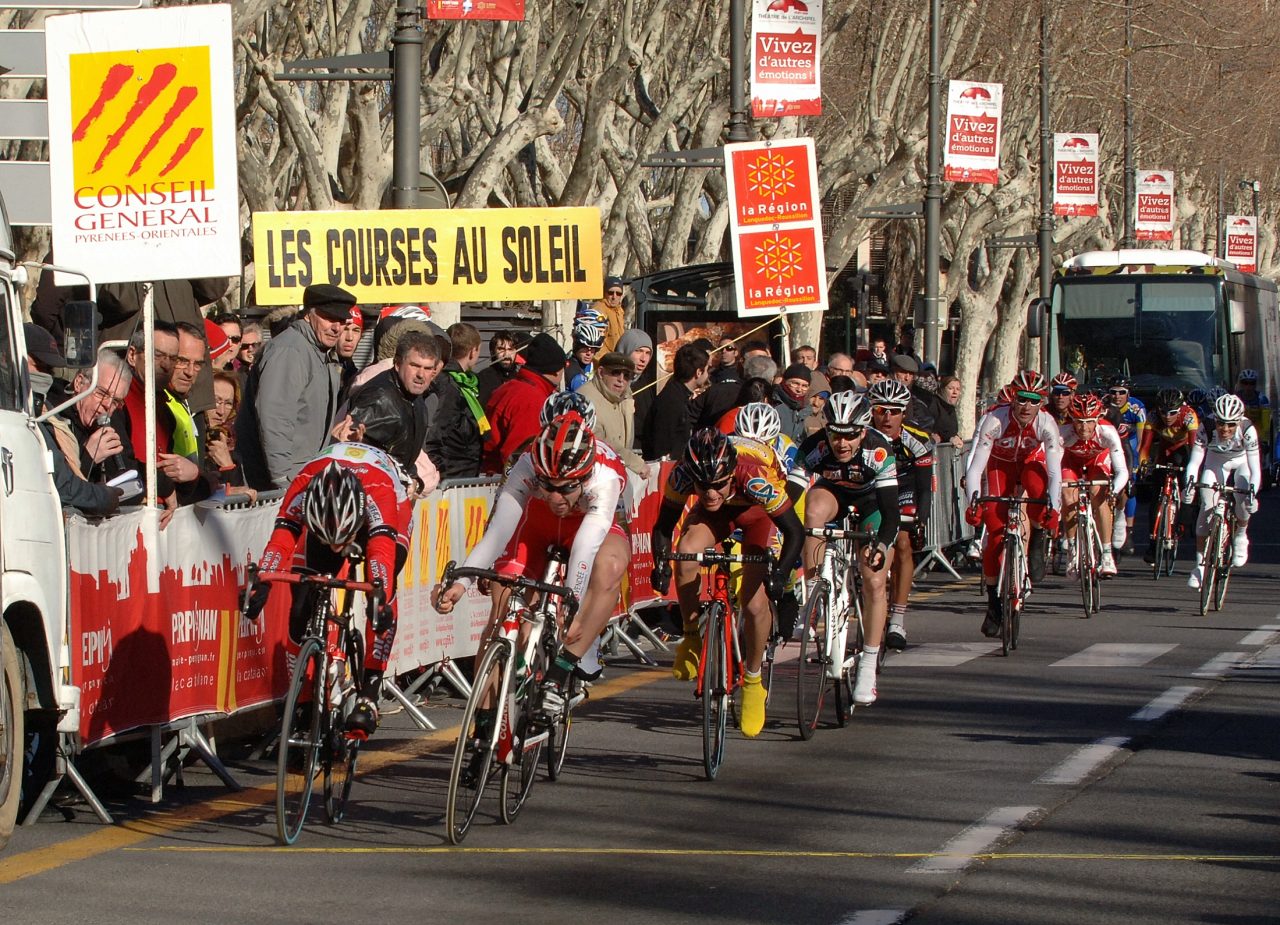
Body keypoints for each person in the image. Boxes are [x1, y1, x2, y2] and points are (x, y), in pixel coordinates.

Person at [435, 413, 630, 725]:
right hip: (536, 525)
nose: (555, 496)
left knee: (610, 565)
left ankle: (561, 670)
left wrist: (572, 601)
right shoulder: (527, 464)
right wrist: (463, 582)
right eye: (546, 485)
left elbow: (585, 549)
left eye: (565, 488)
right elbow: (497, 534)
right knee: (502, 607)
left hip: (586, 526)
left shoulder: (604, 478)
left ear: (584, 477)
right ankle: (484, 727)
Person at [245, 444, 418, 737]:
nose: (337, 549)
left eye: (341, 541)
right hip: (327, 508)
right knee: (301, 603)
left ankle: (370, 693)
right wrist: (261, 581)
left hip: (387, 509)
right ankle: (302, 701)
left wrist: (380, 600)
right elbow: (281, 540)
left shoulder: (380, 494)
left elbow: (381, 561)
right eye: (330, 542)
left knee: (381, 593)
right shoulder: (302, 486)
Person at [650, 429, 804, 737]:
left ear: (731, 473)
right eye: (702, 486)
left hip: (757, 514)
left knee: (755, 601)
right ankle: (692, 636)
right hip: (718, 519)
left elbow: (795, 533)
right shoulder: (683, 473)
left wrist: (781, 574)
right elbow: (663, 527)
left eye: (718, 485)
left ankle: (753, 681)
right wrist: (660, 564)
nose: (709, 494)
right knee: (685, 552)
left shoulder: (755, 476)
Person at [795, 392, 899, 703]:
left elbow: (891, 514)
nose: (842, 444)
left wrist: (880, 544)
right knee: (811, 511)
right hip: (833, 496)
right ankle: (813, 599)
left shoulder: (879, 450)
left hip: (872, 504)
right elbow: (788, 496)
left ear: (863, 432)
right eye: (836, 434)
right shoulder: (814, 448)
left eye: (851, 436)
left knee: (874, 580)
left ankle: (868, 662)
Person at [964, 370, 1063, 638]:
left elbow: (1055, 473)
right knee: (995, 535)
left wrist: (1054, 509)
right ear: (1013, 398)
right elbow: (975, 468)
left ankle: (1039, 536)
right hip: (1000, 466)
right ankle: (994, 605)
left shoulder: (1047, 424)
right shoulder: (994, 419)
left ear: (1042, 403)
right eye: (1022, 399)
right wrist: (973, 502)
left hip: (1031, 463)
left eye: (1034, 400)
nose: (1026, 406)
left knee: (1038, 488)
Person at [237, 284, 349, 490]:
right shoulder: (290, 350)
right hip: (280, 484)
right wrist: (283, 480)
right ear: (308, 315)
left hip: (303, 477)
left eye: (342, 321)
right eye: (329, 318)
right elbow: (275, 418)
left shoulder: (319, 352)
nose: (337, 327)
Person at [867, 378, 935, 651]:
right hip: (870, 485)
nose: (887, 417)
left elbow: (924, 486)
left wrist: (922, 519)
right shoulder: (861, 435)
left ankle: (897, 618)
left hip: (904, 485)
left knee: (904, 543)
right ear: (871, 410)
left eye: (895, 411)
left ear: (904, 413)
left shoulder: (917, 440)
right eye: (881, 409)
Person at [35, 343, 130, 516]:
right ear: (79, 383)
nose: (108, 405)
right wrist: (88, 457)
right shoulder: (52, 416)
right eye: (101, 393)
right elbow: (59, 486)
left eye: (116, 401)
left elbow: (127, 488)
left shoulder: (109, 423)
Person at [341, 330, 442, 480]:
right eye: (415, 366)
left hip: (395, 490)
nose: (421, 375)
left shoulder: (417, 399)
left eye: (427, 368)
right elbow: (353, 456)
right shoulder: (378, 397)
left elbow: (404, 456)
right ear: (398, 364)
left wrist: (413, 480)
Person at [1185, 393, 1261, 588]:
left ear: (1239, 421)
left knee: (1242, 496)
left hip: (1241, 461)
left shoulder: (1248, 429)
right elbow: (1195, 462)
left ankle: (1241, 534)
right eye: (1221, 423)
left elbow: (1255, 468)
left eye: (1231, 424)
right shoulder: (1206, 426)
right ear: (1215, 420)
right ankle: (1200, 565)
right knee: (1206, 508)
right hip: (1215, 461)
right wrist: (1189, 485)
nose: (1225, 429)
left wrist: (1253, 492)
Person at [1059, 393, 1127, 577]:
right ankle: (1072, 550)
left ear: (1097, 419)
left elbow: (1122, 471)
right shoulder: (1064, 433)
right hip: (1070, 462)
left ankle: (1106, 555)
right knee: (1067, 494)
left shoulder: (1108, 432)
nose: (1083, 427)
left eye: (1089, 421)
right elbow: (1053, 467)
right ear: (1071, 420)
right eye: (1079, 421)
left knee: (1099, 494)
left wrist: (1114, 489)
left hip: (1097, 460)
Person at [483, 332, 567, 473]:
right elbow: (519, 454)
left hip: (493, 476)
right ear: (556, 371)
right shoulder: (532, 400)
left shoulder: (510, 387)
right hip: (509, 484)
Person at [1138, 388, 1200, 564]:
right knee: (1156, 497)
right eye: (1163, 412)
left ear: (1180, 409)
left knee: (1187, 479)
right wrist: (1144, 466)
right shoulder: (1153, 417)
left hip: (1184, 449)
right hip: (1164, 449)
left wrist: (1192, 471)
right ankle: (1153, 542)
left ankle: (1184, 517)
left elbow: (1195, 447)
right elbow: (1145, 447)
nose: (1167, 416)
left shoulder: (1189, 415)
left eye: (1172, 412)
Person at [424, 322, 488, 480]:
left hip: (462, 471)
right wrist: (440, 474)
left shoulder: (465, 382)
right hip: (451, 475)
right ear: (473, 352)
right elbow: (434, 433)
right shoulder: (449, 385)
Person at [578, 351, 645, 475]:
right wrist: (633, 461)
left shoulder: (625, 398)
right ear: (601, 372)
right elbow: (596, 441)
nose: (621, 379)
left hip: (617, 474)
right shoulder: (584, 399)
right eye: (615, 372)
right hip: (592, 475)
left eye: (627, 375)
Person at [1103, 375, 1146, 557]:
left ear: (1128, 394)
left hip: (1128, 444)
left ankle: (1127, 529)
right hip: (1107, 445)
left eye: (1122, 393)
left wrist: (1138, 461)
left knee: (1129, 484)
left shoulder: (1137, 407)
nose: (1117, 396)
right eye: (1113, 392)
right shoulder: (1102, 405)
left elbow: (1141, 437)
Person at [643, 342, 709, 460]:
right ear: (698, 372)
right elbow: (662, 449)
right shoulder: (671, 402)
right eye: (707, 370)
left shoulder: (678, 395)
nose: (708, 375)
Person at [204, 369, 254, 497]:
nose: (221, 411)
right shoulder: (187, 437)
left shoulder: (229, 443)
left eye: (228, 404)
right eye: (216, 401)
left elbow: (238, 493)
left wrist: (227, 466)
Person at [476, 330, 523, 405]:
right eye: (501, 349)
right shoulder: (483, 378)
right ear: (492, 352)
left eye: (510, 349)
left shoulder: (521, 378)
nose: (506, 354)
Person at [771, 363, 811, 444]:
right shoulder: (774, 404)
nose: (799, 389)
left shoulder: (807, 409)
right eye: (795, 383)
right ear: (784, 381)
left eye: (804, 386)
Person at [566, 311, 606, 392]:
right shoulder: (575, 373)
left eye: (593, 349)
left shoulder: (594, 364)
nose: (589, 353)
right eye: (585, 348)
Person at [335, 306, 365, 400]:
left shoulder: (356, 375)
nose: (350, 337)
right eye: (345, 329)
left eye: (356, 331)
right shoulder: (319, 368)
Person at [595, 276, 626, 353]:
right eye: (611, 293)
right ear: (605, 293)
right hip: (605, 361)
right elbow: (596, 342)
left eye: (618, 293)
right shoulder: (599, 310)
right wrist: (608, 361)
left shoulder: (619, 311)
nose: (614, 297)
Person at [934, 376, 964, 447]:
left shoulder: (951, 408)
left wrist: (956, 437)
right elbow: (937, 428)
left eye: (958, 389)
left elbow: (952, 431)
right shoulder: (935, 404)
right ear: (942, 390)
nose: (955, 392)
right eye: (950, 388)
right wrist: (950, 438)